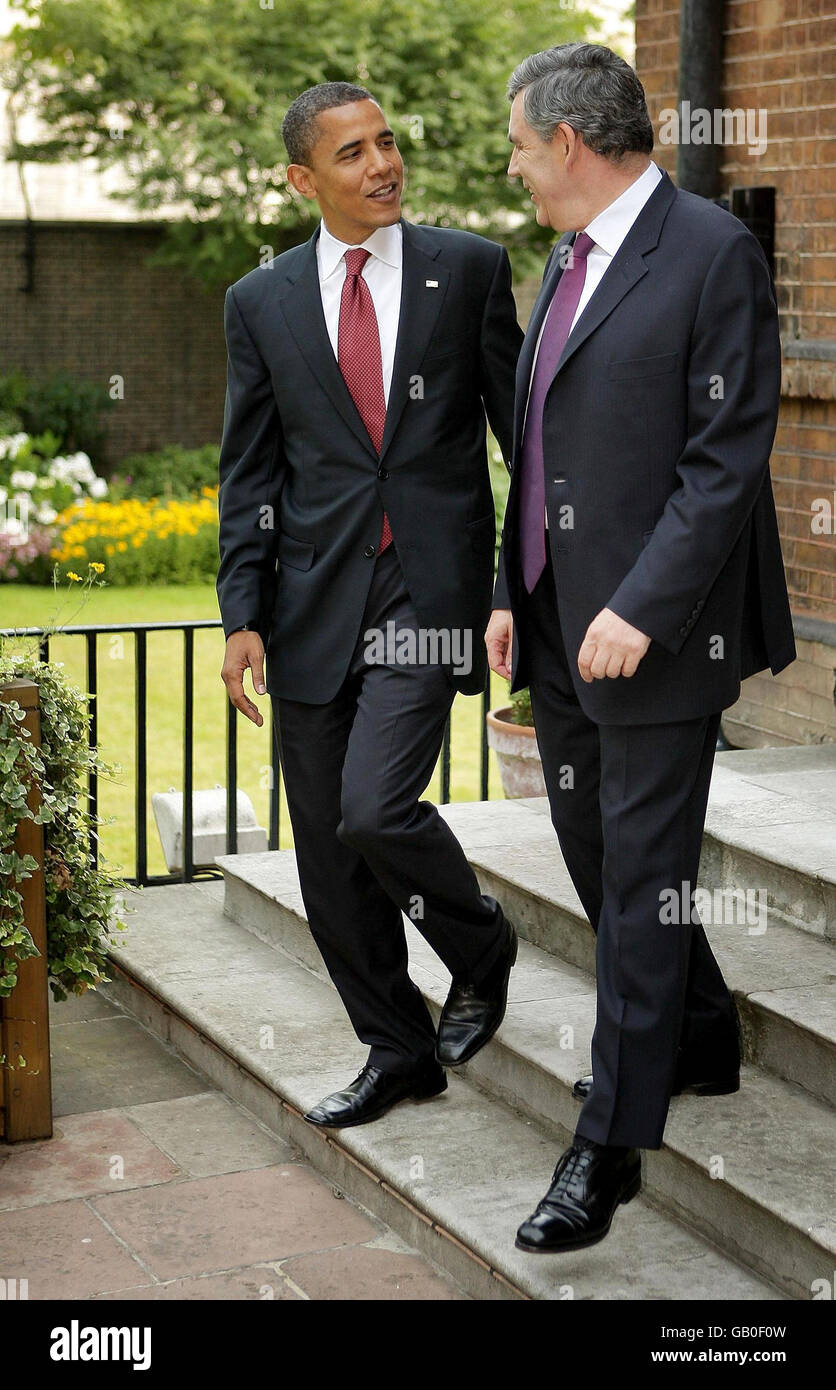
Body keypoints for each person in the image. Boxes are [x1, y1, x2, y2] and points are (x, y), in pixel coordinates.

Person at [486, 42, 795, 1252]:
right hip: (561, 624)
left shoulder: (710, 252)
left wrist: (641, 605)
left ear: (567, 140)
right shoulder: (563, 258)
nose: (510, 165)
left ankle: (610, 1146)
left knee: (637, 865)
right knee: (594, 847)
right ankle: (700, 1029)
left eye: (517, 142)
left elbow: (725, 461)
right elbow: (539, 440)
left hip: (656, 634)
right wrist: (517, 586)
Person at [217, 82, 523, 1129]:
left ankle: (480, 944)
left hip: (424, 596)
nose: (382, 164)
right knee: (326, 855)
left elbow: (523, 443)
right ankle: (395, 1049)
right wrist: (239, 616)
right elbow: (249, 473)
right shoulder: (258, 302)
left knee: (374, 808)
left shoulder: (469, 270)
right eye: (352, 153)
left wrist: (506, 588)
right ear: (304, 178)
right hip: (307, 606)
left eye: (387, 142)